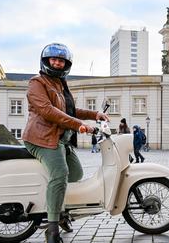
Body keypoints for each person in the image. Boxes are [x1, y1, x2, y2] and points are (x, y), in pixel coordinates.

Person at [22, 43, 109, 243]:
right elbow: (48, 111)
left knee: (76, 172)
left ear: (66, 64)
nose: (57, 63)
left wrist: (95, 114)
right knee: (60, 175)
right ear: (45, 61)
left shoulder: (60, 84)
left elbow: (69, 110)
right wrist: (79, 125)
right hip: (42, 138)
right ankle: (52, 229)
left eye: (61, 60)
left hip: (60, 139)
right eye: (53, 59)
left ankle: (58, 207)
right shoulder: (37, 82)